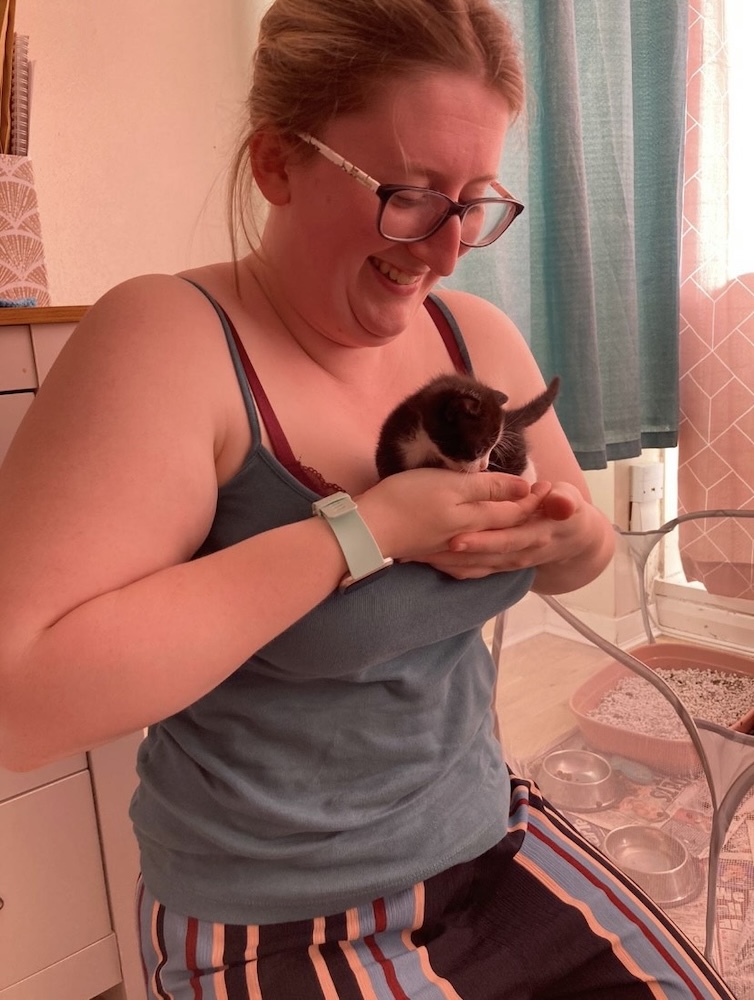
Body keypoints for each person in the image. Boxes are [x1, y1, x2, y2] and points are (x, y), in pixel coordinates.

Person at [0, 1, 736, 997]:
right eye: (409, 194)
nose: (445, 248)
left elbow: (583, 554)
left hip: (486, 840)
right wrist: (368, 527)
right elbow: (21, 699)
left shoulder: (474, 335)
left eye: (474, 200)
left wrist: (563, 533)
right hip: (277, 917)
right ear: (275, 163)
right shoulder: (168, 342)